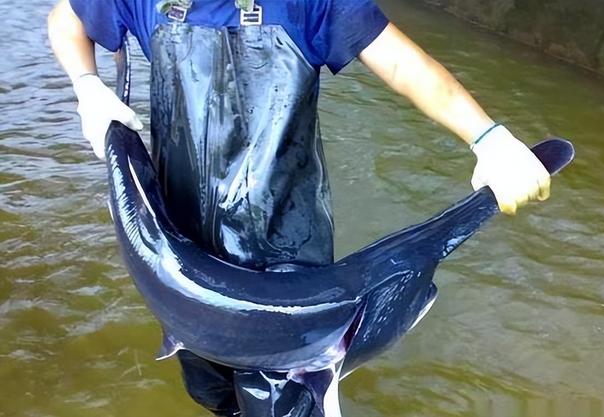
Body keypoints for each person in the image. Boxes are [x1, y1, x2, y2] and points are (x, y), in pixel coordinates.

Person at [48, 0, 551, 416]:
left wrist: (486, 136)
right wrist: (87, 87)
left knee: (286, 399)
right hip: (181, 250)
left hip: (285, 245)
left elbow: (400, 63)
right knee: (213, 394)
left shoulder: (309, 3)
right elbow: (67, 20)